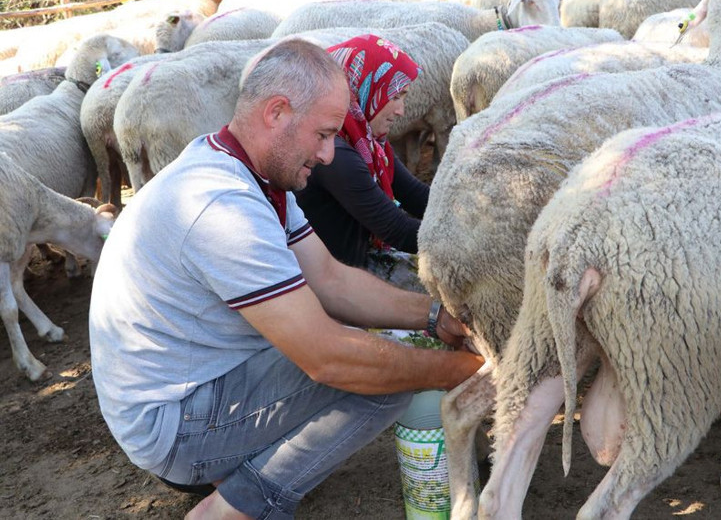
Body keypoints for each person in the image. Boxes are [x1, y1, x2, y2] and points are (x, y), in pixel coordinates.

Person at [88, 39, 484, 520]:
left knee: (380, 355)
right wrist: (468, 373)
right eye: (322, 135)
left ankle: (235, 470)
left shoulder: (250, 175)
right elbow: (327, 359)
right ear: (276, 112)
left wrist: (433, 316)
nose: (327, 154)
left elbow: (331, 279)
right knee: (383, 377)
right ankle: (235, 507)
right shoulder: (222, 207)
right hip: (169, 423)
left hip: (187, 387)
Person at [294, 35, 430, 272]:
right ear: (363, 87)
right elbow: (396, 230)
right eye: (395, 96)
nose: (401, 111)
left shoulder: (368, 143)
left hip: (355, 265)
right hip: (341, 280)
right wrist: (464, 238)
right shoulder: (336, 155)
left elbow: (414, 195)